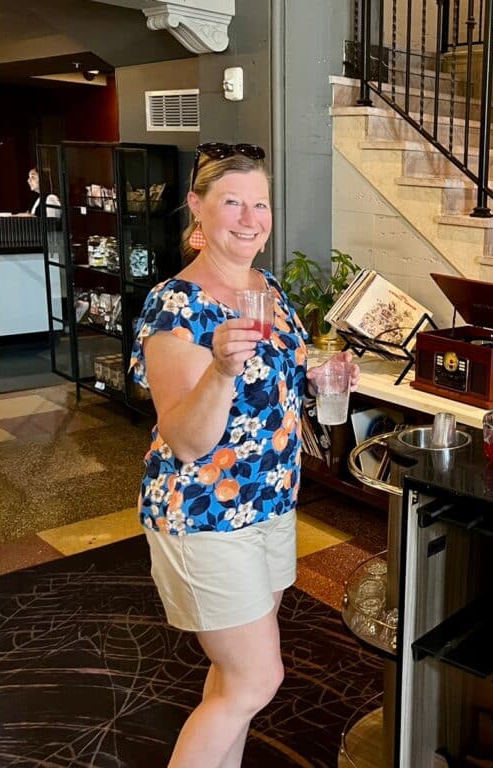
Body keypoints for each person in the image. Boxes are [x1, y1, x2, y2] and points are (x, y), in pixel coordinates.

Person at [127, 142, 359, 768]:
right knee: (257, 679)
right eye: (233, 202)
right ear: (197, 209)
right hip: (203, 514)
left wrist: (322, 372)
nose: (251, 217)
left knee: (233, 680)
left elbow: (283, 372)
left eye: (261, 203)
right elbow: (187, 439)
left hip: (270, 503)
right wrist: (222, 372)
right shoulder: (174, 305)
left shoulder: (268, 288)